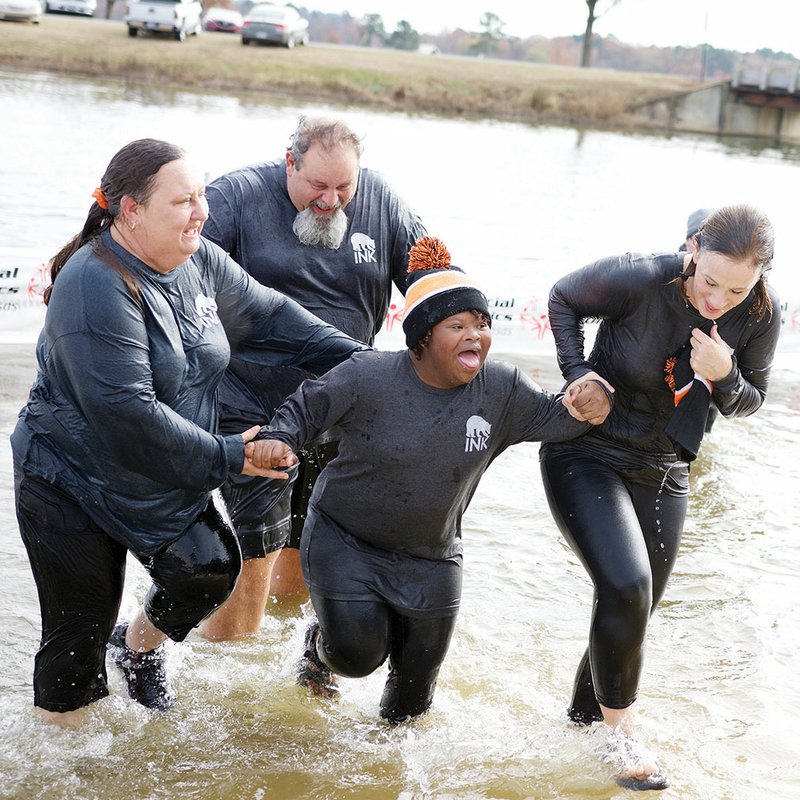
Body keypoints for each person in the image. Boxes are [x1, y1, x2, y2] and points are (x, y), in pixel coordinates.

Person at [11, 138, 366, 728]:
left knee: (206, 570)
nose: (201, 211)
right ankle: (65, 765)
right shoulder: (94, 283)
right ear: (131, 210)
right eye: (183, 201)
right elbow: (129, 418)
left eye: (201, 196)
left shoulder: (195, 260)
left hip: (158, 472)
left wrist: (371, 370)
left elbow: (277, 319)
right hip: (68, 481)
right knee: (76, 645)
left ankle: (138, 648)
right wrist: (233, 455)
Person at [245, 236, 613, 725]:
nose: (474, 336)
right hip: (345, 539)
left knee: (409, 709)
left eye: (482, 325)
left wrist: (594, 398)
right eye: (457, 325)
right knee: (356, 657)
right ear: (421, 338)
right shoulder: (366, 376)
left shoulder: (501, 390)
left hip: (433, 557)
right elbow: (303, 409)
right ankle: (317, 649)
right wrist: (277, 438)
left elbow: (560, 417)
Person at [539, 204, 780, 790]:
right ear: (694, 248)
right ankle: (624, 737)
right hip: (587, 450)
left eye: (737, 290)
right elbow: (562, 297)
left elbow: (751, 401)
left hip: (667, 467)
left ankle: (580, 730)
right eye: (710, 281)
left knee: (632, 607)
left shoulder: (762, 314)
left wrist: (725, 374)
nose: (719, 300)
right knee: (627, 584)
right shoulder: (642, 277)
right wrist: (578, 374)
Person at [199, 115, 427, 641]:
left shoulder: (383, 203)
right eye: (317, 186)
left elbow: (434, 278)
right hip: (250, 406)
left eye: (344, 186)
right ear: (289, 164)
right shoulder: (234, 198)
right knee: (258, 548)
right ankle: (228, 681)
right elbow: (175, 279)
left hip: (340, 408)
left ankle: (277, 653)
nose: (331, 200)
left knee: (306, 549)